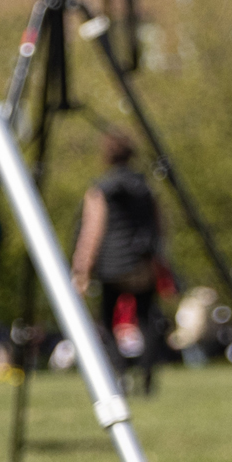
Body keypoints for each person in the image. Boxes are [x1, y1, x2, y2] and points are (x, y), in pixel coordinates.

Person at [67, 131, 174, 393]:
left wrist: (82, 268)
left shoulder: (101, 189)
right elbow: (160, 225)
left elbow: (93, 230)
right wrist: (160, 259)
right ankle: (147, 375)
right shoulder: (145, 186)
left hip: (113, 265)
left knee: (107, 317)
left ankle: (121, 373)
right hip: (142, 262)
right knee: (147, 318)